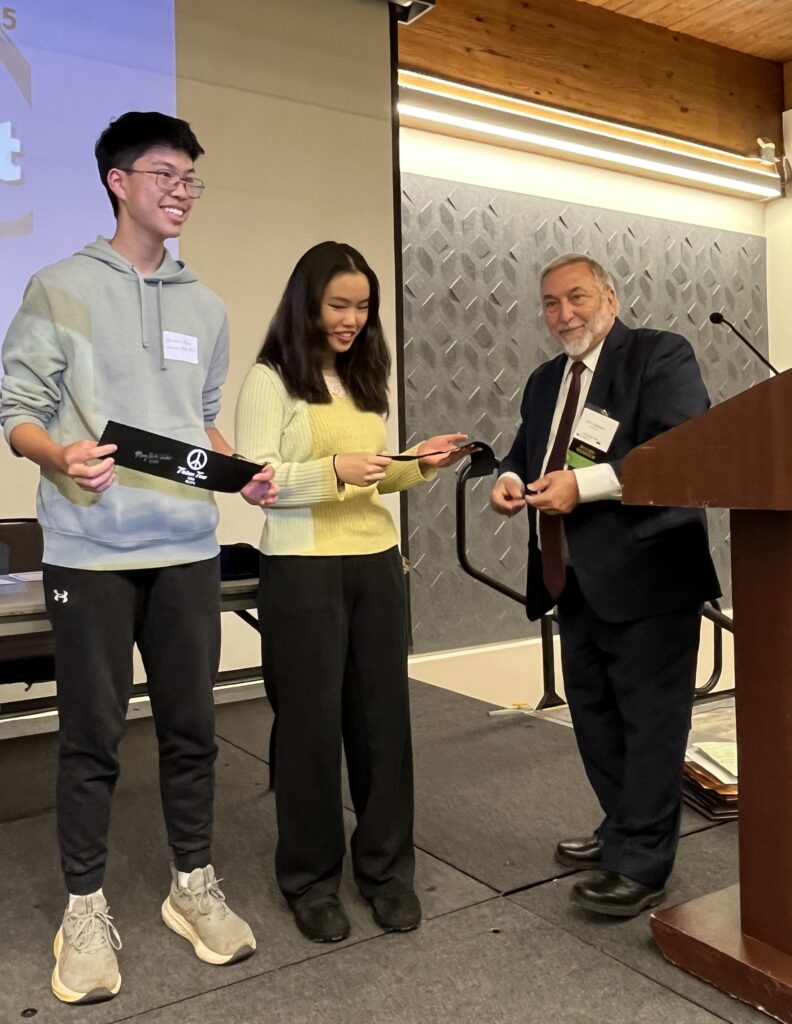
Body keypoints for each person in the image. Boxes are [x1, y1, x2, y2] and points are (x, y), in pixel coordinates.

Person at [0, 111, 277, 1004]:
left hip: (187, 548)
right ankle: (84, 909)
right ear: (118, 181)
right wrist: (58, 454)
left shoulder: (207, 304)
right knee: (91, 739)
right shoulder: (58, 286)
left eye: (191, 177)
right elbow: (17, 415)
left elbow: (198, 422)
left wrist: (241, 474)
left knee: (193, 728)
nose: (182, 191)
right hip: (89, 549)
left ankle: (190, 886)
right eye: (165, 175)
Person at [235, 241, 470, 943]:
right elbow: (258, 485)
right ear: (306, 302)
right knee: (309, 729)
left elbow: (375, 477)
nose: (354, 319)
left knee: (382, 728)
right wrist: (333, 467)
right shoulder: (269, 380)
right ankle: (309, 880)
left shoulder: (365, 379)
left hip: (375, 563)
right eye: (340, 304)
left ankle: (387, 871)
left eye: (363, 306)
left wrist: (416, 464)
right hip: (302, 567)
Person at [490, 253, 720, 917]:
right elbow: (525, 452)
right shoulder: (544, 382)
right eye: (552, 303)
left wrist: (582, 485)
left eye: (578, 298)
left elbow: (679, 448)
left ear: (610, 300)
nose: (565, 314)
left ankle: (642, 863)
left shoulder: (657, 356)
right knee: (594, 717)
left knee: (650, 724)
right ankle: (623, 827)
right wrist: (509, 479)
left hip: (648, 576)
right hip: (572, 579)